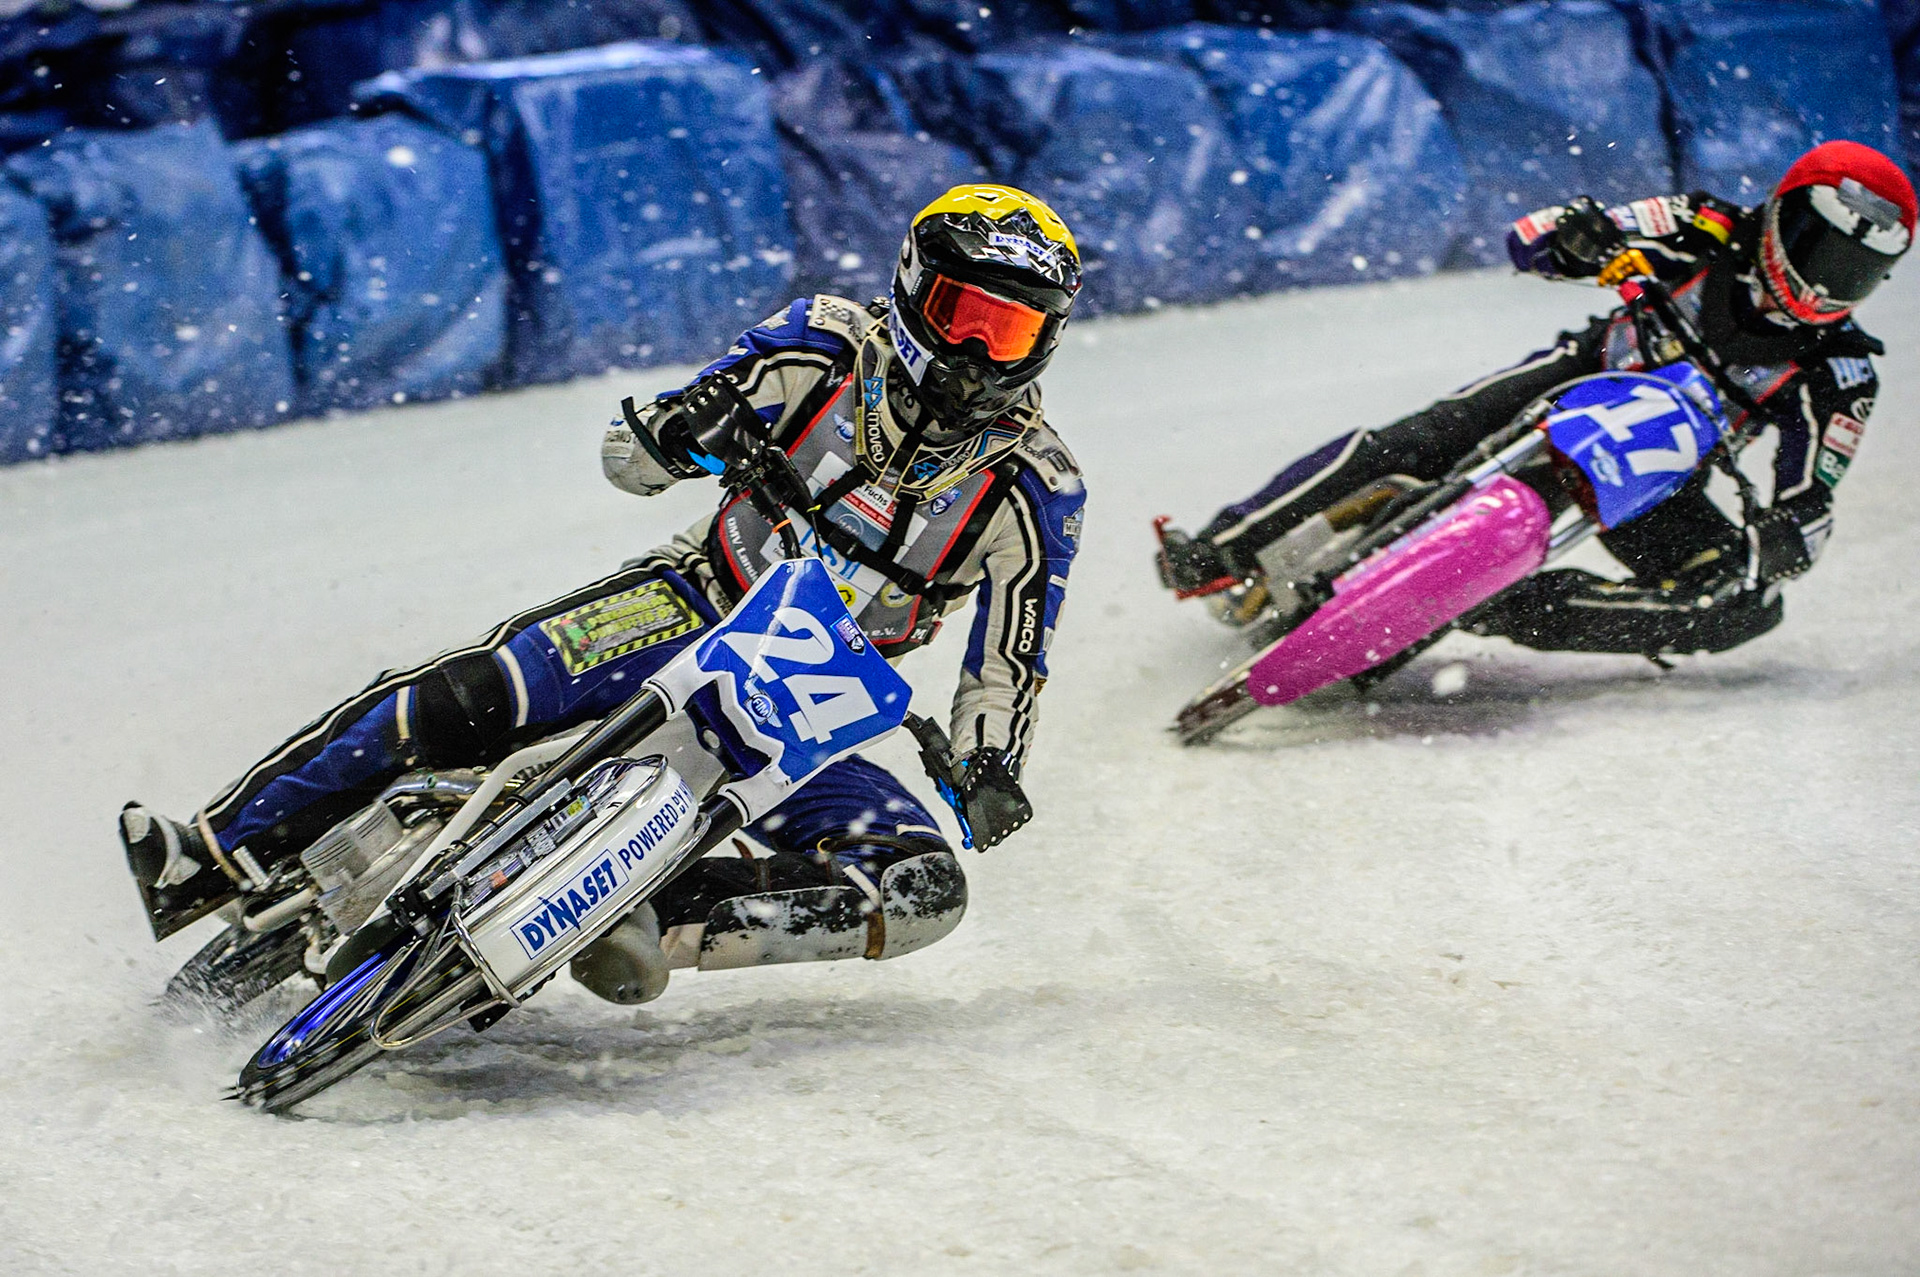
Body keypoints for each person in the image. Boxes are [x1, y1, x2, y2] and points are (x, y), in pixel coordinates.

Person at [120, 183, 1087, 1005]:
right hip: (690, 601)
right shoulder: (820, 347)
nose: (977, 356)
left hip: (807, 710)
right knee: (475, 691)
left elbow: (1009, 661)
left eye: (1011, 332)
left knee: (919, 885)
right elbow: (629, 456)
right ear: (913, 291)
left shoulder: (1037, 488)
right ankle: (211, 853)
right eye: (965, 316)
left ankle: (645, 912)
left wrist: (989, 764)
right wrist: (683, 431)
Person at [1156, 140, 1913, 659]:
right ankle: (1221, 549)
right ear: (1782, 215)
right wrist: (1578, 237)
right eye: (1819, 249)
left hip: (1654, 476)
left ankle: (1495, 604)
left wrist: (1784, 537)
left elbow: (1813, 498)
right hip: (1576, 379)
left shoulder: (1842, 372)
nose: (1823, 283)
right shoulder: (1705, 225)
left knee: (1741, 606)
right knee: (1408, 443)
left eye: (1854, 271)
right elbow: (1532, 238)